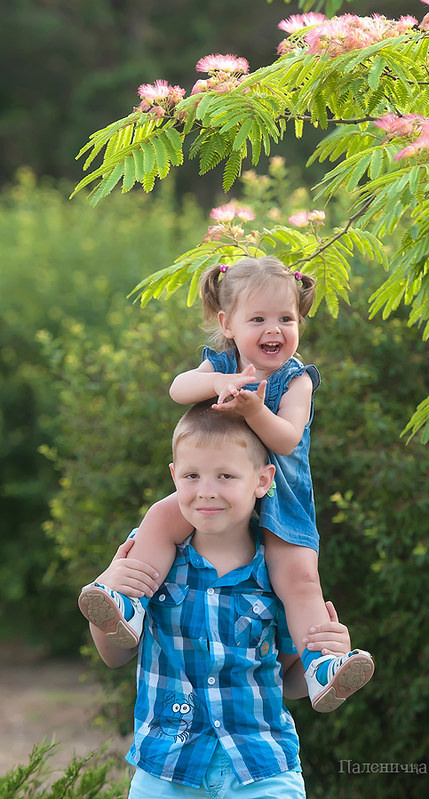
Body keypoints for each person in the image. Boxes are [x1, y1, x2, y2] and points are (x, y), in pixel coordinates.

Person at [79, 256, 374, 712]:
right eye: (258, 319)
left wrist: (255, 408)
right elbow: (179, 388)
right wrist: (219, 381)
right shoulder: (220, 364)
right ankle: (129, 604)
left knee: (299, 579)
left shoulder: (296, 381)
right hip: (212, 489)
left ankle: (322, 664)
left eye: (286, 318)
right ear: (228, 323)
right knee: (160, 517)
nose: (273, 329)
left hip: (280, 498)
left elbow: (287, 437)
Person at [89, 403, 354, 798]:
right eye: (191, 475)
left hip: (263, 765)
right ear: (174, 476)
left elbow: (289, 682)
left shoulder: (279, 574)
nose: (206, 491)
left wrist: (331, 656)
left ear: (262, 480)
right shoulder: (153, 554)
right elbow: (115, 655)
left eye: (226, 476)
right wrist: (106, 595)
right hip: (167, 767)